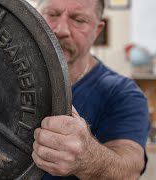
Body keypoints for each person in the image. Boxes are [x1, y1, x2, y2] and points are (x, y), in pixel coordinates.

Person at [32, 0, 150, 179]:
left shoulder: (124, 94)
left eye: (78, 20)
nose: (61, 30)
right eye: (52, 15)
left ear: (97, 30)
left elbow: (129, 170)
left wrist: (87, 157)